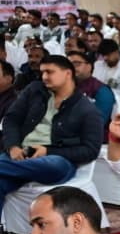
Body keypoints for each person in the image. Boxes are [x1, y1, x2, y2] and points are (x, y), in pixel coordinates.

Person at [0, 55, 101, 206]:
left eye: (49, 72)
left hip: (55, 160)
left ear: (68, 73)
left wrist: (47, 151)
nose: (44, 77)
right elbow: (11, 119)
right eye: (42, 72)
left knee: (54, 165)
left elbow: (90, 150)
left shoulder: (86, 109)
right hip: (21, 154)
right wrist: (13, 146)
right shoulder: (34, 90)